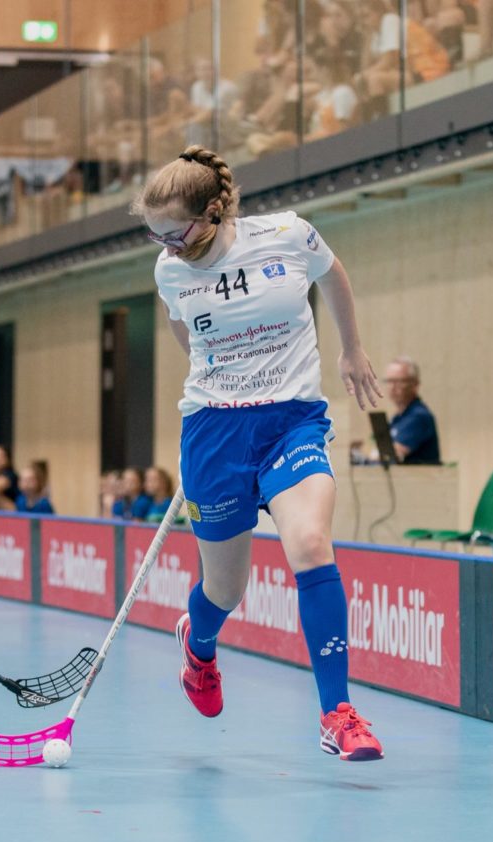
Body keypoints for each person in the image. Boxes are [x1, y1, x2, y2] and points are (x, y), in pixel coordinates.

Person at [133, 144, 385, 760]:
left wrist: (351, 349)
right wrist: (213, 379)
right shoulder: (170, 270)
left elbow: (333, 274)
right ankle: (199, 644)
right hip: (214, 434)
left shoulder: (286, 234)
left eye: (177, 231)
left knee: (309, 545)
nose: (167, 246)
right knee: (225, 589)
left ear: (215, 211)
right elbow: (183, 331)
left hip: (292, 423)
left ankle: (337, 713)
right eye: (156, 235)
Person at [383, 357, 440, 464]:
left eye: (398, 381)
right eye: (389, 381)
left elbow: (392, 454)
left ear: (415, 385)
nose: (392, 387)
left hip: (421, 479)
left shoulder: (419, 416)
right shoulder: (397, 418)